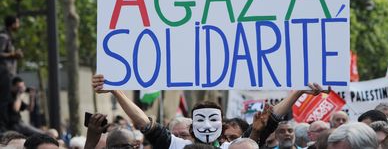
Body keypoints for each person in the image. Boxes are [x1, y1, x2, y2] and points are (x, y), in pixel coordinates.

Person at [92, 74, 326, 148]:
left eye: (212, 119)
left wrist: (298, 92)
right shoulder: (176, 145)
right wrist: (117, 92)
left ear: (222, 126)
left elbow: (271, 119)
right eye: (200, 120)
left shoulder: (234, 148)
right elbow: (144, 122)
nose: (206, 125)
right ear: (192, 127)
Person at [0, 15, 23, 132]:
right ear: (13, 24)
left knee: (6, 99)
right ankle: (3, 128)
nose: (18, 26)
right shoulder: (4, 36)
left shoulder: (7, 35)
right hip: (3, 72)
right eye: (17, 23)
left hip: (6, 73)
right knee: (4, 100)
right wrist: (13, 54)